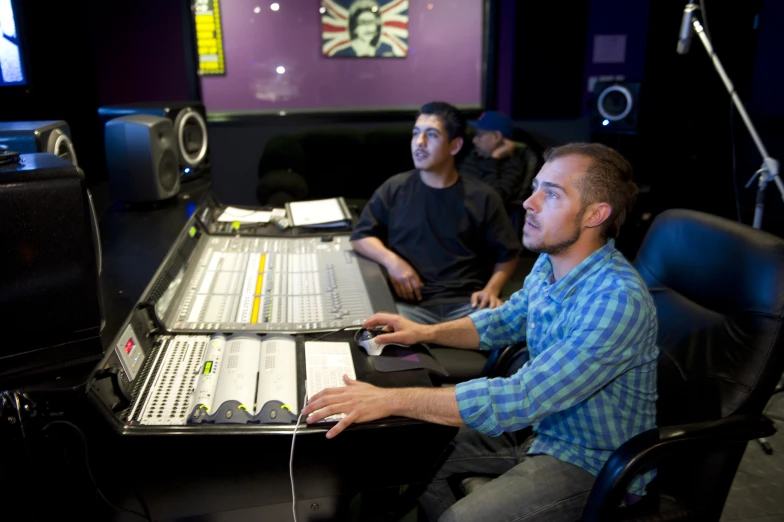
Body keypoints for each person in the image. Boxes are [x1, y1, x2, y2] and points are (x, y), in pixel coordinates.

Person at [304, 142, 659, 521]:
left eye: (551, 194)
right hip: (539, 430)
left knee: (460, 518)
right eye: (535, 187)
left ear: (595, 214)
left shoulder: (616, 300)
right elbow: (503, 321)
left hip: (595, 461)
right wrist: (422, 331)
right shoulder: (549, 262)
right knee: (406, 449)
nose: (529, 202)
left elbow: (522, 397)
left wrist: (391, 399)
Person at [350, 101, 521, 325]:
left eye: (431, 135)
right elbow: (361, 236)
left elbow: (508, 254)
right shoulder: (395, 187)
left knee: (517, 330)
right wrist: (393, 262)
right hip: (407, 307)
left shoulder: (483, 196)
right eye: (415, 134)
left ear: (455, 146)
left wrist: (491, 289)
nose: (419, 143)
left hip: (467, 306)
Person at [459, 110, 528, 207]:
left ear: (497, 136)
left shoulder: (513, 164)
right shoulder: (473, 154)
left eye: (479, 135)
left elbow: (495, 199)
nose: (474, 140)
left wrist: (494, 159)